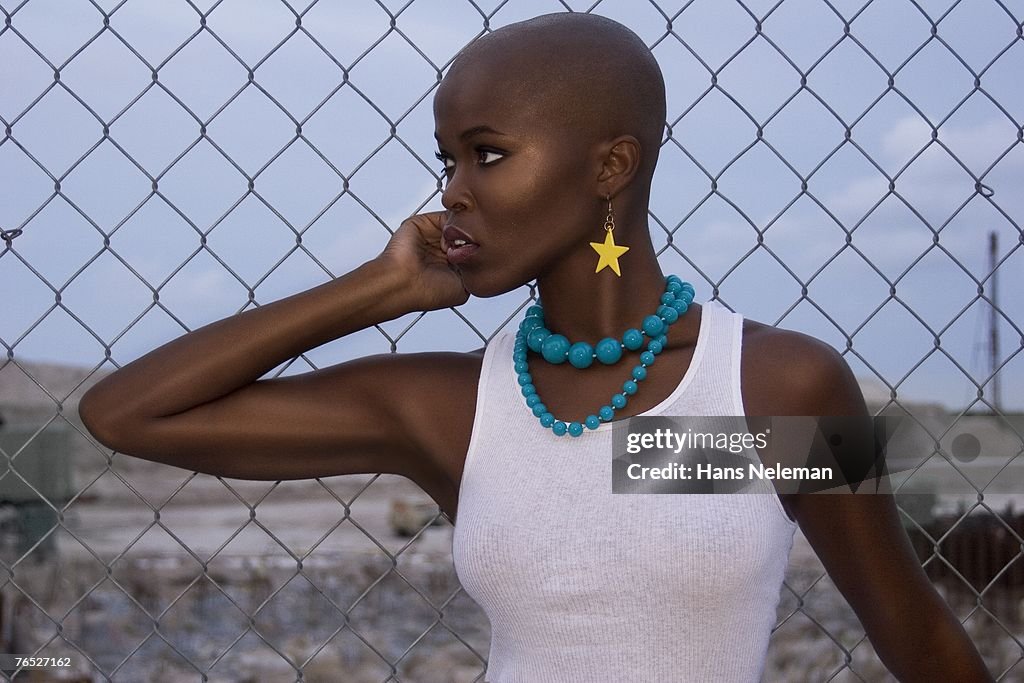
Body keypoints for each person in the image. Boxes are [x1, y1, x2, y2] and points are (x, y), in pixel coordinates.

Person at [78, 12, 993, 683]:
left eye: (487, 154)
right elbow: (124, 413)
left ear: (610, 167)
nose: (452, 192)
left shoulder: (775, 389)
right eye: (447, 159)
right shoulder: (457, 412)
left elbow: (914, 635)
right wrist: (378, 289)